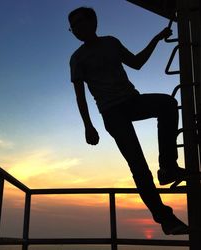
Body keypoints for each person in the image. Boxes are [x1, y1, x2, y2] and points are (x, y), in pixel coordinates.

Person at [68, 7, 189, 235]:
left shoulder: (111, 43)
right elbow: (80, 95)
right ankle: (165, 218)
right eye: (72, 26)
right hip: (112, 113)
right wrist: (88, 126)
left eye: (79, 23)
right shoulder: (77, 58)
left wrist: (155, 39)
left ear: (93, 22)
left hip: (132, 101)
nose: (76, 29)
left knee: (168, 105)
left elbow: (137, 62)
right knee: (139, 167)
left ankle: (168, 167)